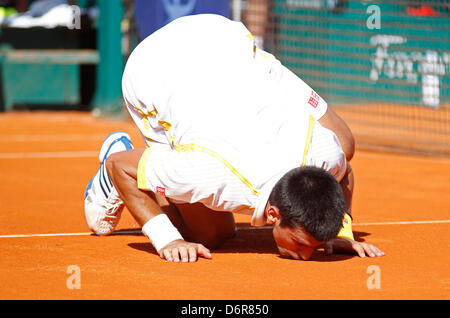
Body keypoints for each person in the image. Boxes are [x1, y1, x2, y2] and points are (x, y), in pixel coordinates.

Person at [84, 14, 384, 263]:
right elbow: (119, 166)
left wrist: (343, 232)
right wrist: (167, 239)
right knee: (211, 236)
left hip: (226, 43)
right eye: (302, 244)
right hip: (156, 66)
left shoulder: (325, 154)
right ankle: (119, 180)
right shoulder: (208, 174)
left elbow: (343, 172)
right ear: (273, 213)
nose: (306, 256)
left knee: (346, 141)